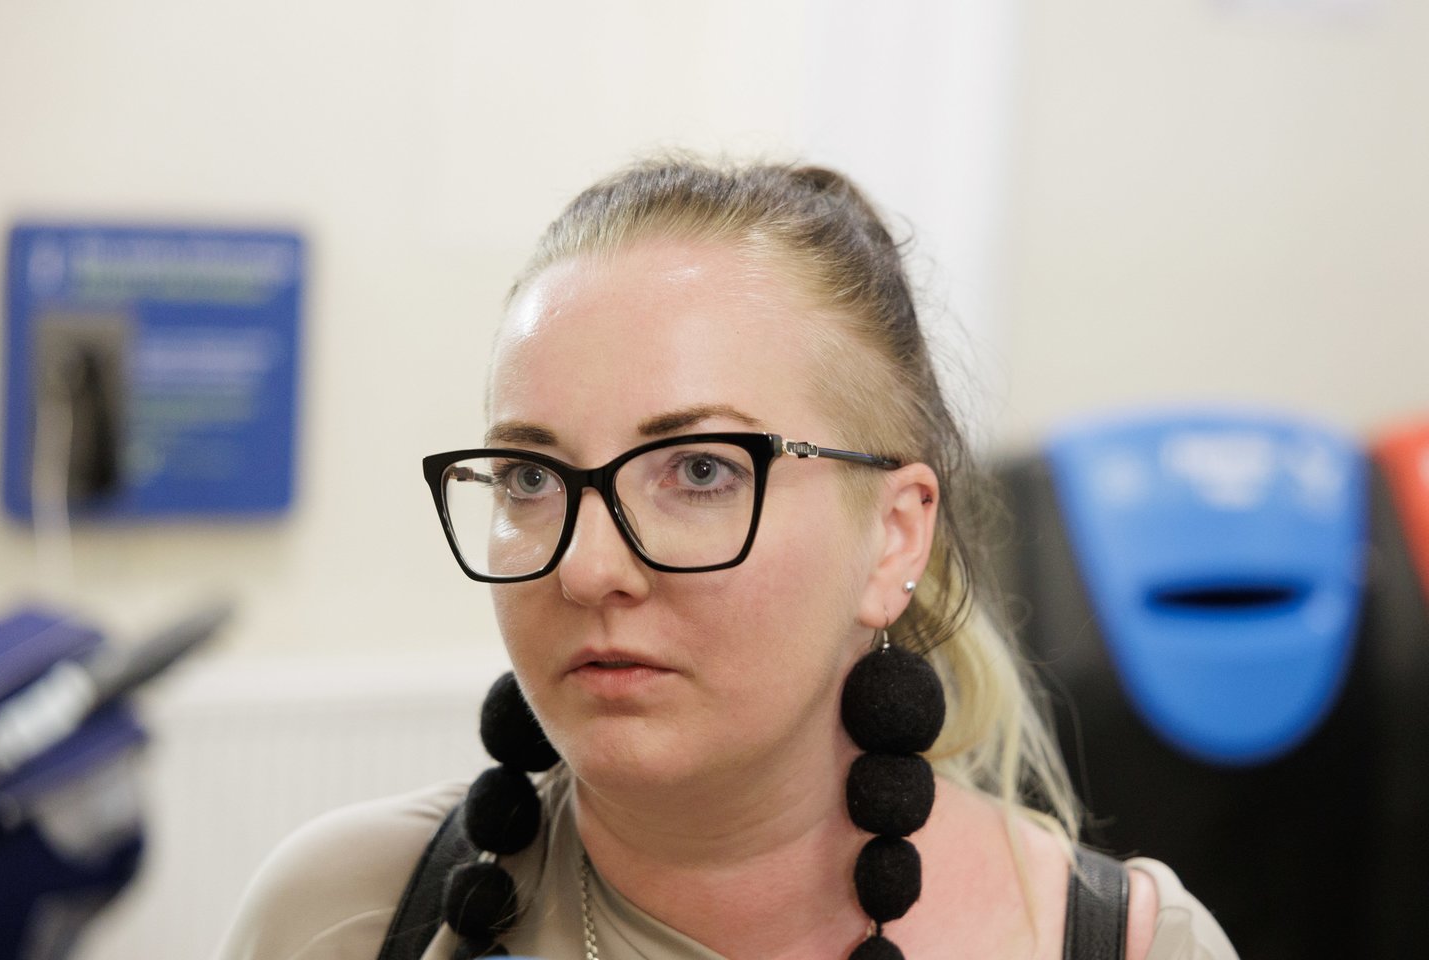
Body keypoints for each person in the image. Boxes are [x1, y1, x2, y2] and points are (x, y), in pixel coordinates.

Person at [215, 157, 1238, 959]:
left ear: (893, 537)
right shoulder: (346, 917)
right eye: (529, 477)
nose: (588, 570)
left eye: (700, 471)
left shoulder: (1123, 944)